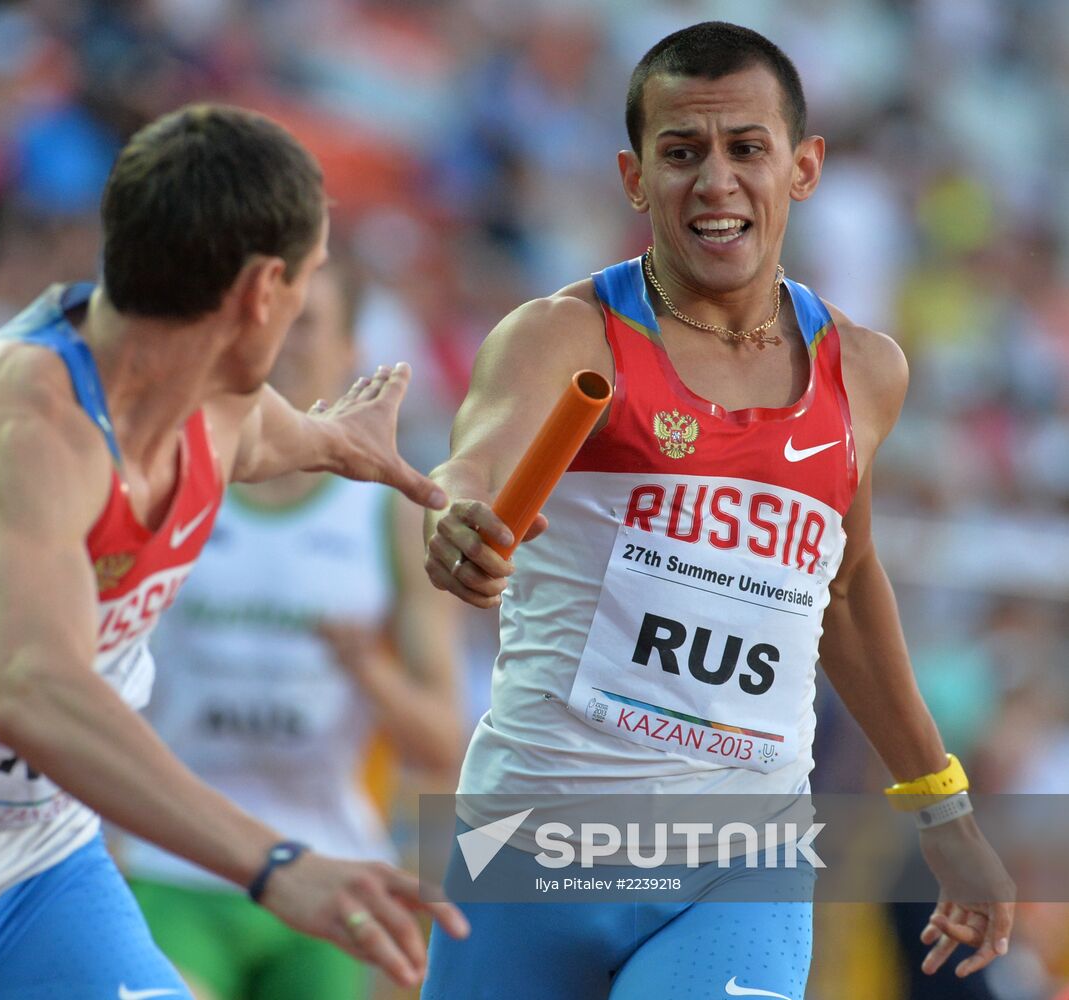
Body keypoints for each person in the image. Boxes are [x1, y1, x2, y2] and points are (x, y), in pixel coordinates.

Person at [0, 103, 468, 1000]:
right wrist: (276, 863)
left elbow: (271, 434)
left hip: (34, 883)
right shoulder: (21, 423)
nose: (303, 307)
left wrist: (343, 441)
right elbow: (36, 693)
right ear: (264, 292)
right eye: (309, 281)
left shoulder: (219, 406)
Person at [419, 22, 1012, 1000]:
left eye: (746, 149)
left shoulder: (862, 372)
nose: (716, 182)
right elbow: (473, 464)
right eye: (681, 152)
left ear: (803, 166)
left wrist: (943, 811)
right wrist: (460, 521)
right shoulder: (565, 334)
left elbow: (847, 587)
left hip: (738, 860)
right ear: (631, 176)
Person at [115, 261, 463, 1000]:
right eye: (266, 322)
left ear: (346, 351)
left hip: (327, 871)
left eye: (305, 324)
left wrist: (367, 669)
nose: (279, 342)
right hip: (177, 859)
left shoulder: (389, 516)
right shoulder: (166, 478)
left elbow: (441, 743)